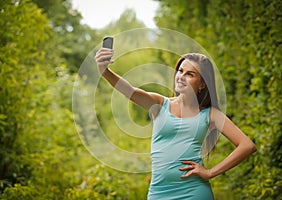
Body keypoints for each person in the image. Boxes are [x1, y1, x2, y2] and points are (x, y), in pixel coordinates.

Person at [94, 47, 257, 200]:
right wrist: (105, 71)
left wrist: (210, 173)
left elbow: (247, 145)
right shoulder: (159, 104)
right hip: (159, 192)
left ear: (201, 84)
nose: (181, 76)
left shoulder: (210, 114)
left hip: (194, 192)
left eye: (190, 74)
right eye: (180, 71)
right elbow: (131, 92)